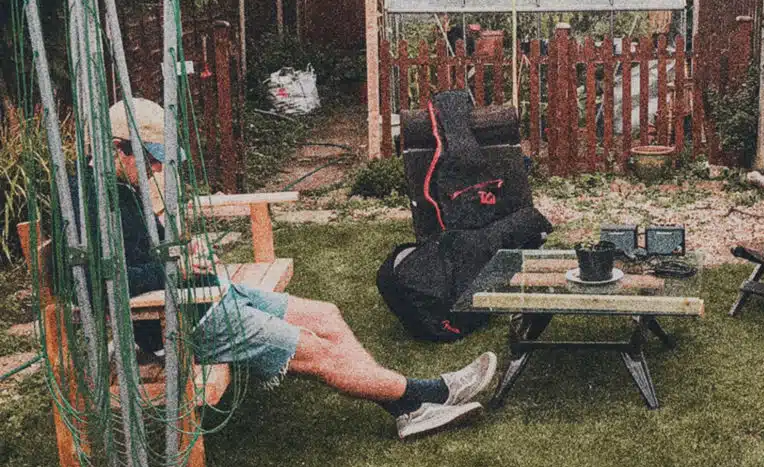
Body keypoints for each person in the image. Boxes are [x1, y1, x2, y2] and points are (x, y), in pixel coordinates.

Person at [107, 98, 496, 440]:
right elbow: (111, 282)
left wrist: (184, 252)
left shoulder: (126, 190)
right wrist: (178, 267)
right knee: (314, 349)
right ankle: (426, 394)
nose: (156, 167)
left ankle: (407, 407)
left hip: (209, 293)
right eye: (149, 156)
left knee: (325, 315)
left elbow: (152, 252)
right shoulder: (93, 207)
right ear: (115, 148)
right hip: (179, 321)